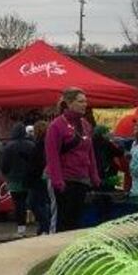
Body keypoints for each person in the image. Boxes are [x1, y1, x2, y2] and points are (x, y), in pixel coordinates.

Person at [45, 87, 100, 232]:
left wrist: (94, 175)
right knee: (62, 219)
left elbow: (90, 152)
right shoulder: (56, 126)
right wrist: (57, 180)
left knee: (76, 219)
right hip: (64, 179)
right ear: (69, 103)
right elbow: (52, 155)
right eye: (80, 101)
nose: (85, 104)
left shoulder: (86, 125)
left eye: (85, 101)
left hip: (81, 178)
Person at [0, 123, 37, 237]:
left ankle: (21, 228)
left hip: (14, 179)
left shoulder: (8, 146)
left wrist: (6, 174)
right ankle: (39, 225)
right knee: (32, 202)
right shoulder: (31, 145)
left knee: (18, 204)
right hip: (29, 178)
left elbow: (4, 164)